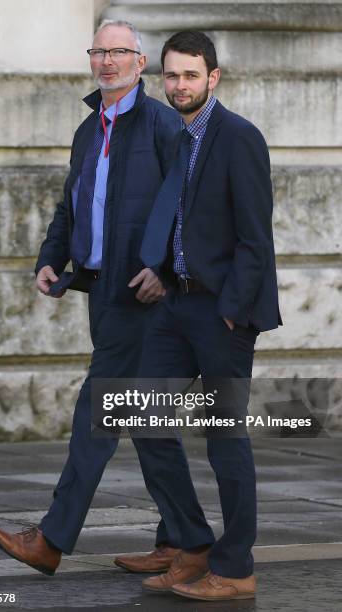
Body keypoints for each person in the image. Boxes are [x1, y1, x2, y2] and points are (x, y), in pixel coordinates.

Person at [0, 20, 215, 576]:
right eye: (99, 51)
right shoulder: (89, 131)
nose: (107, 60)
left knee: (98, 411)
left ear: (141, 63)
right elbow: (73, 205)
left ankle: (54, 539)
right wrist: (49, 257)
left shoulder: (163, 124)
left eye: (119, 51)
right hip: (103, 292)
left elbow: (191, 205)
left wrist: (162, 270)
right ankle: (183, 540)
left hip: (146, 299)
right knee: (147, 421)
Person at [128, 30, 282, 601]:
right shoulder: (179, 137)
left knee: (224, 441)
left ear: (213, 77)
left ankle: (236, 567)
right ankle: (193, 544)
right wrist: (162, 272)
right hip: (177, 305)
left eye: (190, 75)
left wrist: (233, 313)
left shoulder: (239, 137)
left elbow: (254, 236)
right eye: (171, 75)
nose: (179, 85)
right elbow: (180, 218)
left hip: (221, 314)